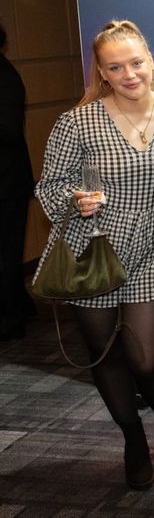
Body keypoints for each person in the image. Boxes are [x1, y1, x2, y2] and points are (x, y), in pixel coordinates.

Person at [34, 19, 154, 490]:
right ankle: (132, 438)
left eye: (136, 63)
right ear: (102, 72)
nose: (129, 74)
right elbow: (50, 185)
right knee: (104, 354)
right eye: (115, 67)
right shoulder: (77, 121)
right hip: (95, 249)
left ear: (150, 61)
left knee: (145, 359)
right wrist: (76, 199)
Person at [0, 21, 37, 340]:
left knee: (6, 254)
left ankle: (12, 318)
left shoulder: (4, 75)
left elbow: (8, 130)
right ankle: (21, 306)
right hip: (7, 180)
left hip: (7, 182)